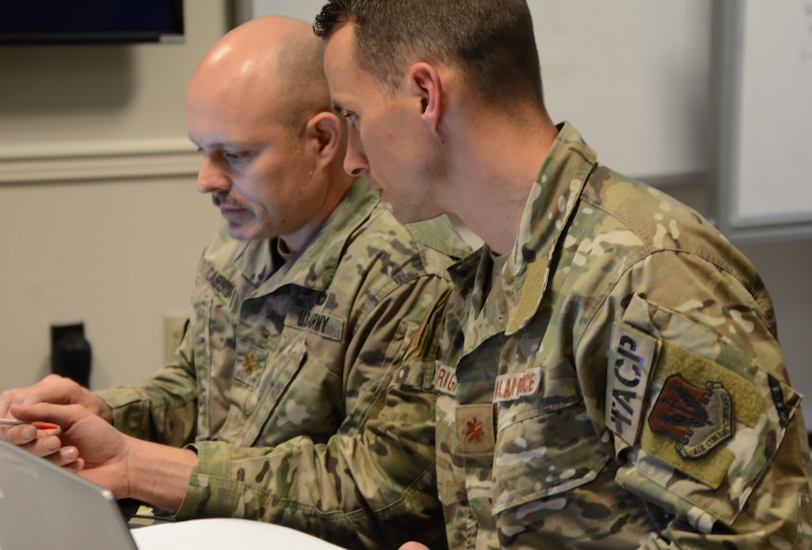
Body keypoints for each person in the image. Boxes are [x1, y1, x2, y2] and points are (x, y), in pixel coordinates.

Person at [314, 1, 812, 548]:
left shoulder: (646, 276)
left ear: (425, 96)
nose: (351, 160)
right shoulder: (482, 286)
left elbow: (762, 541)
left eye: (354, 117)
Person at [0, 15, 472, 550]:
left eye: (235, 155)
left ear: (322, 139)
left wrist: (145, 468)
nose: (207, 181)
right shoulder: (242, 239)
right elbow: (193, 390)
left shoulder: (411, 271)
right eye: (202, 150)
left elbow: (382, 494)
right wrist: (102, 415)